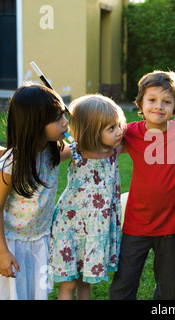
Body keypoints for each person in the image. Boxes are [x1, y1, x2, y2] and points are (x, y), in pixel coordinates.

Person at [0, 83, 71, 300]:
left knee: (35, 293)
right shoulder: (13, 164)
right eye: (58, 118)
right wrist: (2, 252)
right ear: (35, 125)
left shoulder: (51, 150)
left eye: (63, 114)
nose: (65, 122)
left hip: (39, 240)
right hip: (11, 243)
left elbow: (84, 145)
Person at [109, 70, 175, 300]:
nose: (159, 106)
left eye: (167, 102)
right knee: (124, 281)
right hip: (136, 222)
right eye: (152, 100)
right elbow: (104, 143)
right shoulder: (131, 132)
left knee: (170, 286)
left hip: (171, 225)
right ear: (140, 104)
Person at [48, 94, 126, 300]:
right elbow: (41, 156)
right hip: (70, 227)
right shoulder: (75, 151)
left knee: (85, 281)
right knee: (69, 282)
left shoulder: (114, 150)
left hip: (96, 227)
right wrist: (4, 152)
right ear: (91, 130)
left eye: (119, 125)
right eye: (111, 128)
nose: (119, 132)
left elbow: (142, 134)